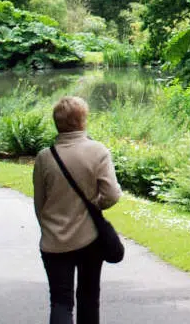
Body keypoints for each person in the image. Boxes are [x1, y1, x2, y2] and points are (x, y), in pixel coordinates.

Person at [33, 96, 122, 324]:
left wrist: (49, 226)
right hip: (89, 237)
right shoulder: (97, 151)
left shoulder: (45, 157)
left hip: (54, 240)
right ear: (83, 120)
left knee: (60, 302)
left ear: (57, 123)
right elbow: (112, 194)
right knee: (89, 297)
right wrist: (94, 205)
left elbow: (39, 203)